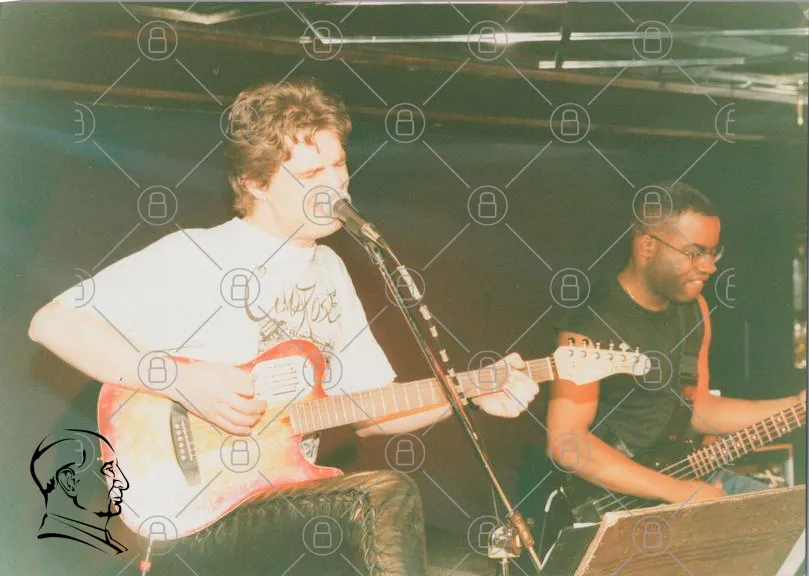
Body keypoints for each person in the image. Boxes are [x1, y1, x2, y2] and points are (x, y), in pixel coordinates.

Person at [28, 77, 539, 575]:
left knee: (472, 566)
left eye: (338, 164)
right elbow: (52, 323)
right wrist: (180, 379)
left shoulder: (331, 270)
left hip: (286, 502)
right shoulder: (198, 253)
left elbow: (370, 409)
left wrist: (471, 391)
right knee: (381, 496)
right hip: (204, 512)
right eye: (311, 172)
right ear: (256, 182)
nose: (336, 184)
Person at [546, 181, 806, 510]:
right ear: (647, 246)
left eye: (713, 252)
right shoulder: (590, 319)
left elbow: (696, 409)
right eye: (693, 253)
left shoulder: (694, 309)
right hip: (608, 502)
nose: (709, 266)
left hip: (682, 479)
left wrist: (797, 405)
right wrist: (677, 491)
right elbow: (567, 442)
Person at [30, 429, 129, 555]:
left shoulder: (102, 544)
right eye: (109, 469)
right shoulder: (70, 552)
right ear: (69, 482)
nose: (123, 484)